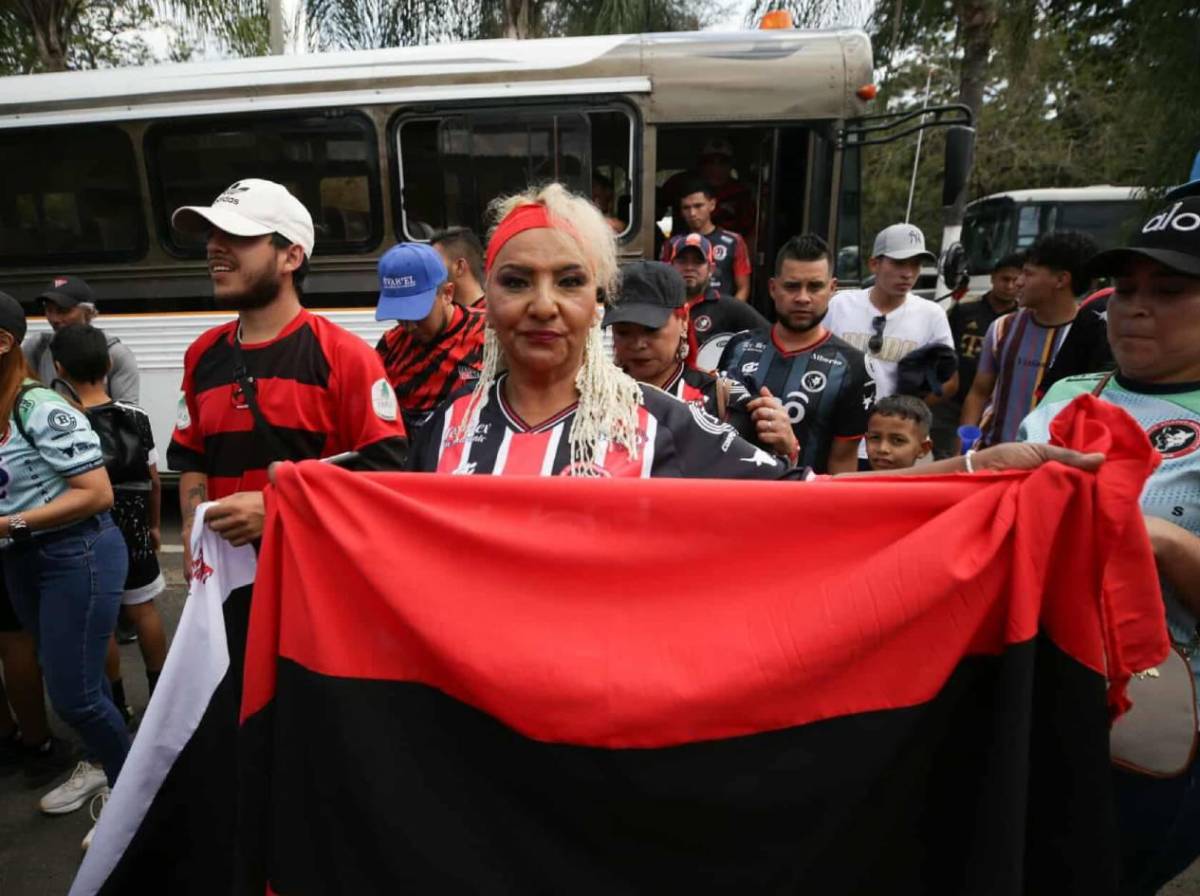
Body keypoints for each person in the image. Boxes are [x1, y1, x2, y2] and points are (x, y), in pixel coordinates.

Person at [405, 182, 1101, 483]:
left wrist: (975, 467)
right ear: (486, 299)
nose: (544, 304)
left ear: (597, 303)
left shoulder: (663, 423)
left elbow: (811, 497)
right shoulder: (442, 431)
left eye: (570, 281)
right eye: (517, 282)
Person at [1016, 196, 1200, 896]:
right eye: (1125, 290)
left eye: (1171, 291)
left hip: (1152, 732)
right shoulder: (1069, 390)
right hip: (1030, 701)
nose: (1136, 308)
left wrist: (1159, 541)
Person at [167, 178, 408, 569]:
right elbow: (191, 455)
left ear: (291, 257)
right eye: (212, 234)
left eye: (236, 235)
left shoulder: (345, 356)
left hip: (312, 580)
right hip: (224, 588)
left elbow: (382, 471)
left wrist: (277, 507)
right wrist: (193, 526)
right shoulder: (201, 354)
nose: (214, 246)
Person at [0, 292, 130, 850]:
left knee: (75, 697)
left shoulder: (41, 408)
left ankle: (136, 799)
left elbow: (97, 494)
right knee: (75, 680)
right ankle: (104, 761)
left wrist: (9, 525)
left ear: (3, 343)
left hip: (76, 553)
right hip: (26, 559)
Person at [50, 324, 167, 714]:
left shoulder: (62, 421)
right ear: (109, 363)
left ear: (58, 368)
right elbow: (152, 480)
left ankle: (116, 704)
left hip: (91, 531)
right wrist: (152, 525)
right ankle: (161, 702)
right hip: (134, 525)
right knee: (144, 610)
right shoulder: (135, 415)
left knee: (102, 621)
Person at [718, 234, 873, 474]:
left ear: (832, 288)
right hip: (733, 498)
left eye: (815, 286)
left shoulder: (853, 366)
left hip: (804, 504)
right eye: (792, 286)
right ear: (773, 288)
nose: (802, 297)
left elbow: (842, 464)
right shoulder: (738, 346)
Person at [825, 223, 956, 466]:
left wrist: (909, 409)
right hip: (841, 441)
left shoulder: (932, 314)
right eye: (899, 263)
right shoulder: (838, 305)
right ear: (874, 264)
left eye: (915, 264)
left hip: (898, 449)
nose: (908, 273)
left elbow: (950, 380)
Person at [961, 231, 1099, 447]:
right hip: (993, 458)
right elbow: (979, 392)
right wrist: (964, 447)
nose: (1018, 283)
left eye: (1028, 274)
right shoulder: (1001, 328)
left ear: (1061, 280)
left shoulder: (1092, 336)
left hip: (1052, 464)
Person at [605, 260, 760, 446]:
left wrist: (787, 448)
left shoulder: (723, 398)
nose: (638, 344)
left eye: (651, 329)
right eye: (623, 332)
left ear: (684, 320)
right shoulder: (592, 398)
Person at [374, 242, 486, 433]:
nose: (410, 326)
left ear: (447, 294)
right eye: (401, 315)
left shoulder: (489, 336)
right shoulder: (390, 346)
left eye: (417, 313)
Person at [930, 253, 1022, 457]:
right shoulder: (964, 311)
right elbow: (941, 352)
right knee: (944, 459)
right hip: (951, 402)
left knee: (977, 460)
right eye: (1005, 279)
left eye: (1015, 281)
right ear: (993, 278)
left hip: (992, 407)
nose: (1009, 286)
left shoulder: (1020, 323)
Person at [21, 276, 140, 403]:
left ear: (88, 312)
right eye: (49, 310)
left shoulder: (116, 353)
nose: (54, 318)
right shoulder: (37, 346)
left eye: (63, 311)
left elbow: (128, 412)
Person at [665, 232, 767, 371]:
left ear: (711, 269)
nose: (689, 267)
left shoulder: (729, 307)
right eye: (682, 261)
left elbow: (770, 336)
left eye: (697, 261)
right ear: (671, 266)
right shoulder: (660, 307)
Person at [661, 179, 751, 301]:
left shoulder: (733, 241)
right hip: (684, 313)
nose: (692, 213)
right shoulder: (672, 244)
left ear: (712, 204)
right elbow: (665, 285)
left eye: (698, 206)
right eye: (686, 208)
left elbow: (743, 288)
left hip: (722, 312)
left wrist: (730, 316)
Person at [866, 395, 933, 471]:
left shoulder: (928, 483)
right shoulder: (853, 481)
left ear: (923, 449)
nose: (882, 449)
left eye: (898, 440)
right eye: (875, 437)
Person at [430, 226, 487, 310]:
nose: (429, 271)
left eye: (435, 264)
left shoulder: (492, 318)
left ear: (460, 267)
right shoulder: (446, 316)